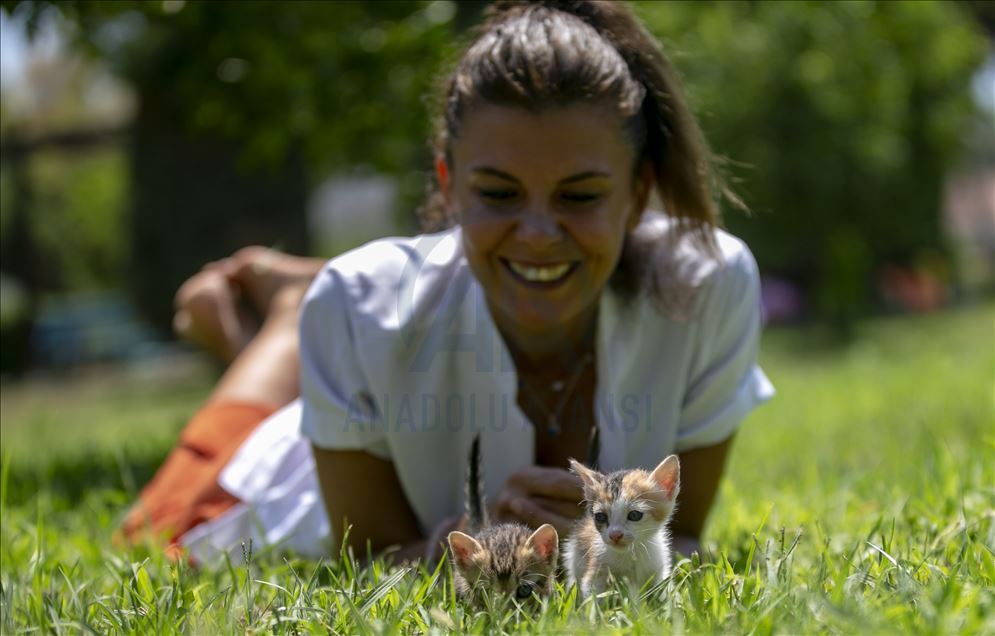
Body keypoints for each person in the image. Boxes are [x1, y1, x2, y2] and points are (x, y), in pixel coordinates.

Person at [122, 0, 774, 564]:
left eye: (579, 196)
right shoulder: (355, 304)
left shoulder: (708, 285)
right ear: (448, 185)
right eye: (497, 194)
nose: (539, 233)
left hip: (379, 327)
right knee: (149, 532)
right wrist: (478, 542)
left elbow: (681, 536)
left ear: (637, 196)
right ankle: (291, 312)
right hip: (262, 488)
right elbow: (373, 561)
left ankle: (296, 318)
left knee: (352, 311)